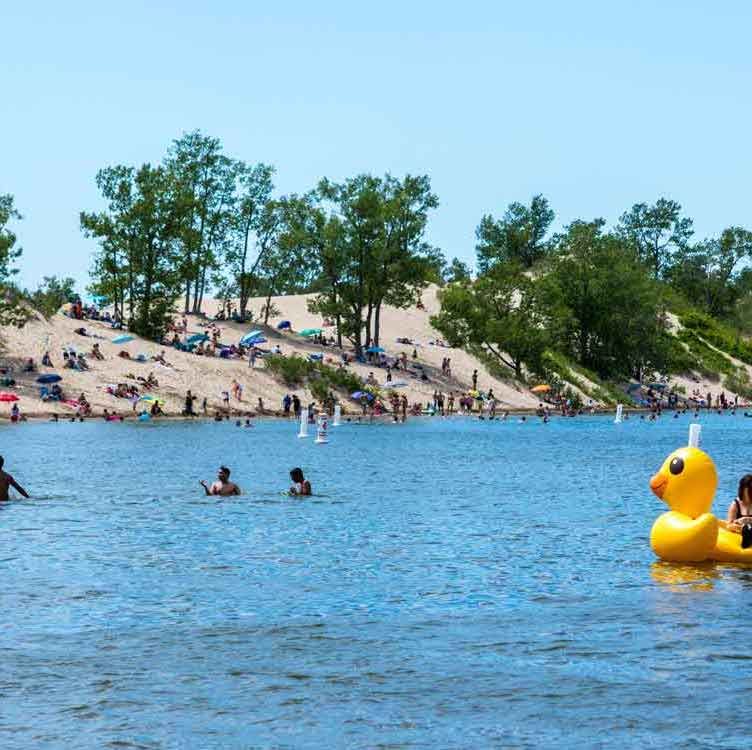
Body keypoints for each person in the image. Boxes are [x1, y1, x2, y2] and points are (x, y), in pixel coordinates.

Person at [727, 474, 752, 547]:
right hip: (740, 532)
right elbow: (729, 525)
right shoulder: (735, 504)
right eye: (750, 489)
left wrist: (749, 519)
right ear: (743, 489)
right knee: (746, 529)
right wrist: (738, 521)